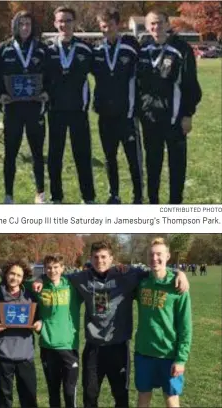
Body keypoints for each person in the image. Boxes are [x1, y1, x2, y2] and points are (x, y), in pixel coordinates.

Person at [32, 241, 189, 408]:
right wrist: (40, 277)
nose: (100, 261)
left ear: (112, 258)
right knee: (90, 395)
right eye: (96, 257)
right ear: (90, 258)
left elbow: (156, 270)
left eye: (104, 257)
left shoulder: (128, 276)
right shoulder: (80, 278)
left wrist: (180, 272)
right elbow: (56, 275)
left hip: (118, 347)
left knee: (121, 395)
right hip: (94, 347)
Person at [137, 10, 202, 204]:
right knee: (153, 163)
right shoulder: (143, 50)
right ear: (147, 27)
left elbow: (191, 85)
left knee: (177, 165)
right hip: (150, 119)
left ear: (167, 24)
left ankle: (175, 204)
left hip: (175, 118)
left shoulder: (182, 49)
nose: (156, 27)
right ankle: (154, 203)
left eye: (159, 23)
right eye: (152, 24)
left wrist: (188, 115)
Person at [0, 11, 49, 204]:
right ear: (15, 26)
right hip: (13, 110)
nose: (25, 28)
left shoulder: (42, 49)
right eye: (21, 24)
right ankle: (8, 194)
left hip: (35, 108)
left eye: (28, 24)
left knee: (37, 153)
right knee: (10, 153)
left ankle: (40, 193)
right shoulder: (3, 49)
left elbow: (51, 75)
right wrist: (0, 94)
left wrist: (47, 92)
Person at [92, 9, 143, 204]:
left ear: (118, 25)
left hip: (127, 114)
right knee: (109, 157)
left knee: (134, 159)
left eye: (110, 25)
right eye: (103, 26)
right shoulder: (96, 50)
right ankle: (114, 194)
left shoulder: (131, 46)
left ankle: (138, 196)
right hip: (105, 115)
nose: (107, 29)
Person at [46, 6, 95, 204]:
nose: (64, 24)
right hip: (55, 110)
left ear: (74, 23)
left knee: (83, 155)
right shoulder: (47, 49)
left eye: (68, 20)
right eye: (61, 21)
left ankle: (88, 197)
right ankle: (56, 197)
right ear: (55, 24)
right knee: (54, 156)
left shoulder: (85, 49)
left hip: (78, 110)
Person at [135, 238, 192, 408]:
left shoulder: (177, 287)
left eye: (159, 254)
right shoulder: (141, 282)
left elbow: (185, 326)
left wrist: (181, 359)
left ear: (167, 256)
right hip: (144, 353)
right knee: (143, 398)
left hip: (169, 354)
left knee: (171, 400)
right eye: (151, 254)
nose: (154, 258)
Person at [0, 260, 41, 408]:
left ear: (23, 278)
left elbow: (39, 319)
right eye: (12, 273)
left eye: (19, 275)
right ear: (6, 274)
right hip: (4, 355)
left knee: (29, 397)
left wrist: (39, 325)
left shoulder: (30, 296)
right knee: (4, 398)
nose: (14, 278)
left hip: (25, 355)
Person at [38, 254, 82, 408]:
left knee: (70, 392)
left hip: (69, 346)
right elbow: (16, 283)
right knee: (53, 392)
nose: (52, 271)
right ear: (44, 269)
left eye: (56, 267)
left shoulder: (73, 286)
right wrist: (39, 279)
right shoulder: (39, 287)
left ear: (62, 268)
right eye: (49, 267)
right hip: (47, 346)